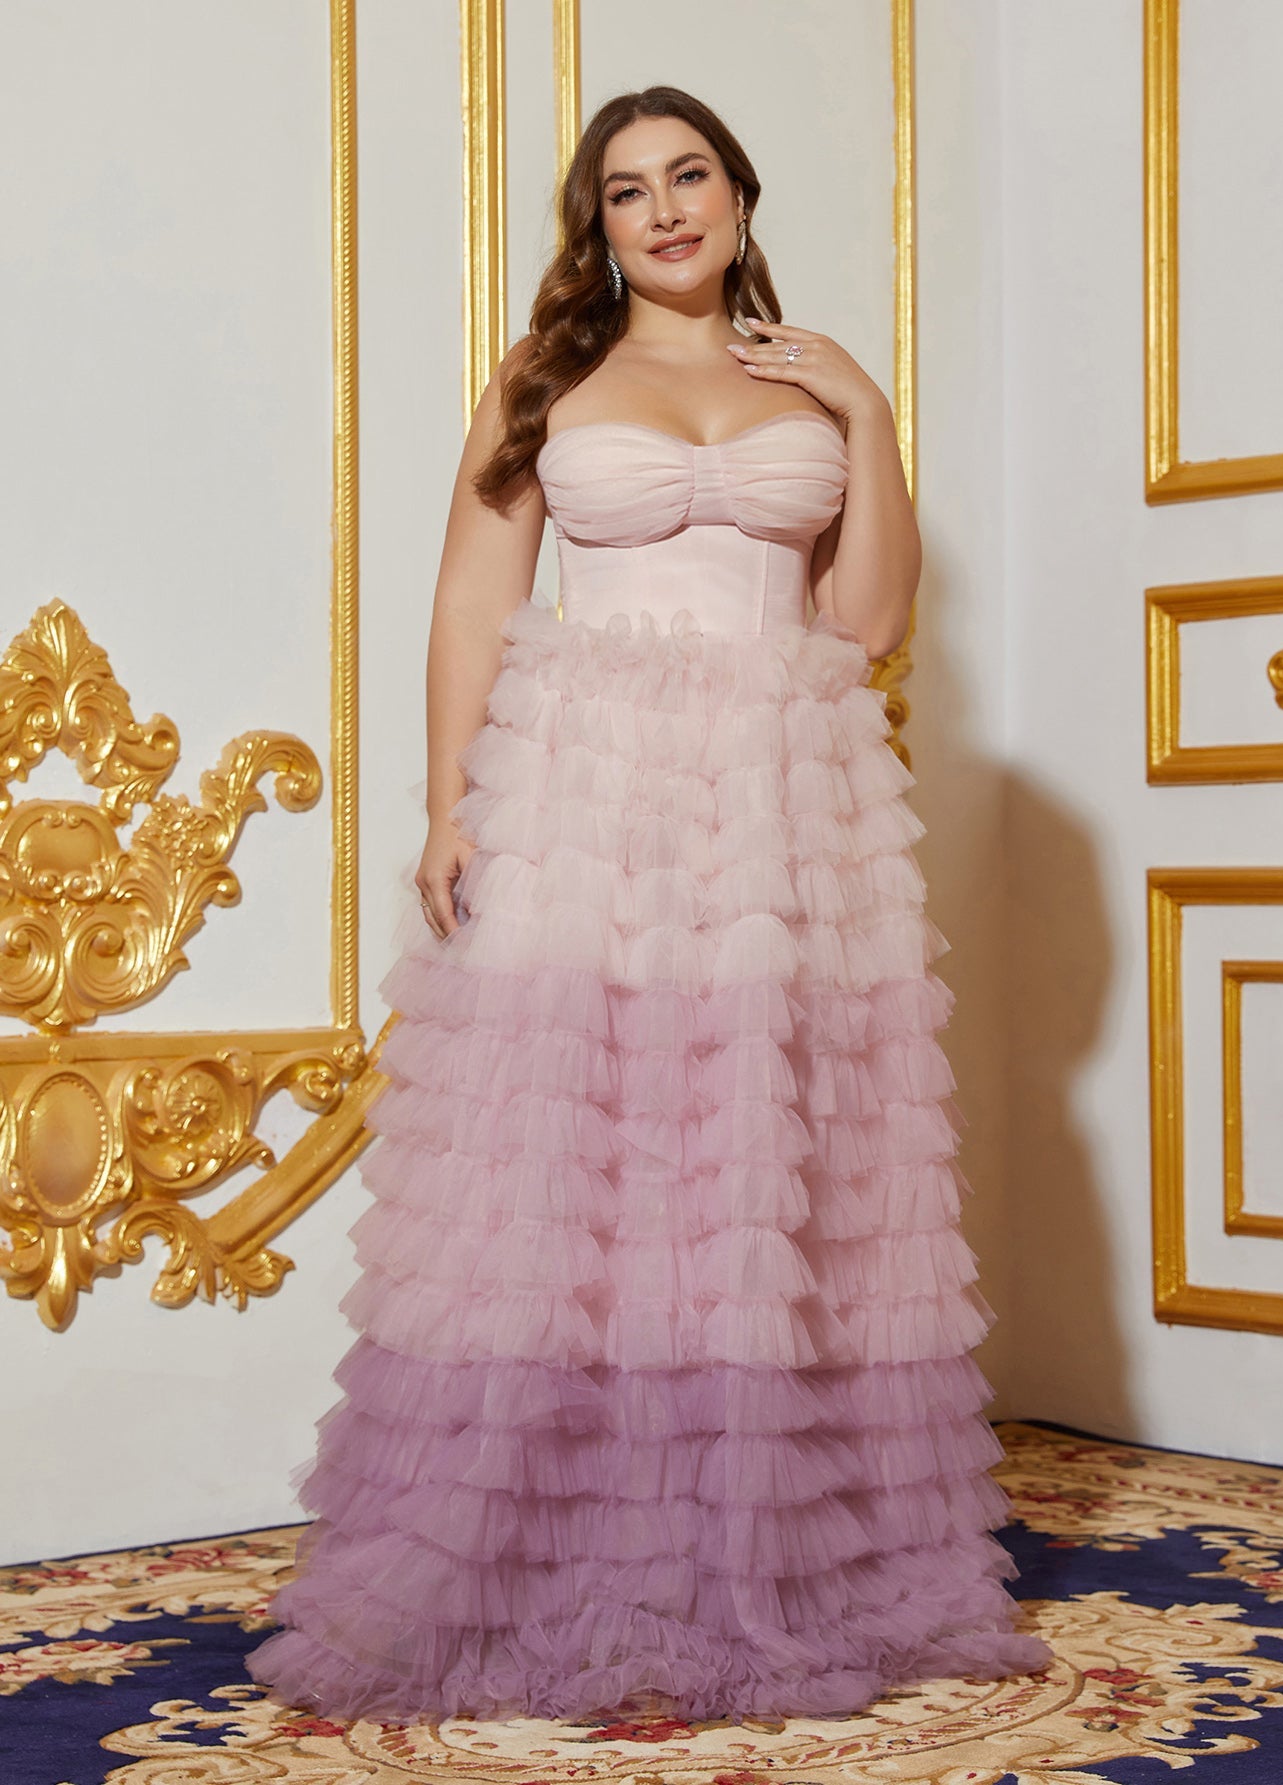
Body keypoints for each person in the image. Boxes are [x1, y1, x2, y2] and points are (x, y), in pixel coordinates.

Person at [245, 82, 1051, 1728]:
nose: (665, 209)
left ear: (740, 198)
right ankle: (569, 1539)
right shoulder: (546, 376)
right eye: (628, 190)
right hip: (587, 795)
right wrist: (447, 805)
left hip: (782, 803)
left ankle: (768, 1544)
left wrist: (869, 413)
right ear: (598, 225)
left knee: (761, 1158)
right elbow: (471, 599)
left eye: (690, 177)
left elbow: (869, 623)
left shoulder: (811, 384)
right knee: (587, 1160)